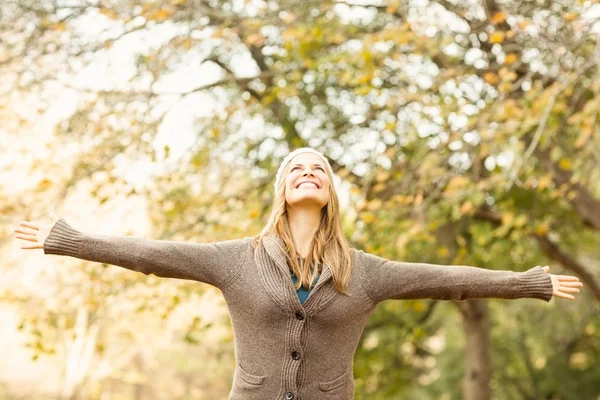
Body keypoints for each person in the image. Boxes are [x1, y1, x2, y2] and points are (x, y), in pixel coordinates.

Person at [14, 147, 583, 400]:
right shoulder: (235, 259)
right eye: (296, 168)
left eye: (319, 169)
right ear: (282, 190)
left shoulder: (368, 272)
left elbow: (451, 278)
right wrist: (67, 240)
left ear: (330, 191)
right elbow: (151, 255)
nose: (308, 172)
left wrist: (529, 281)